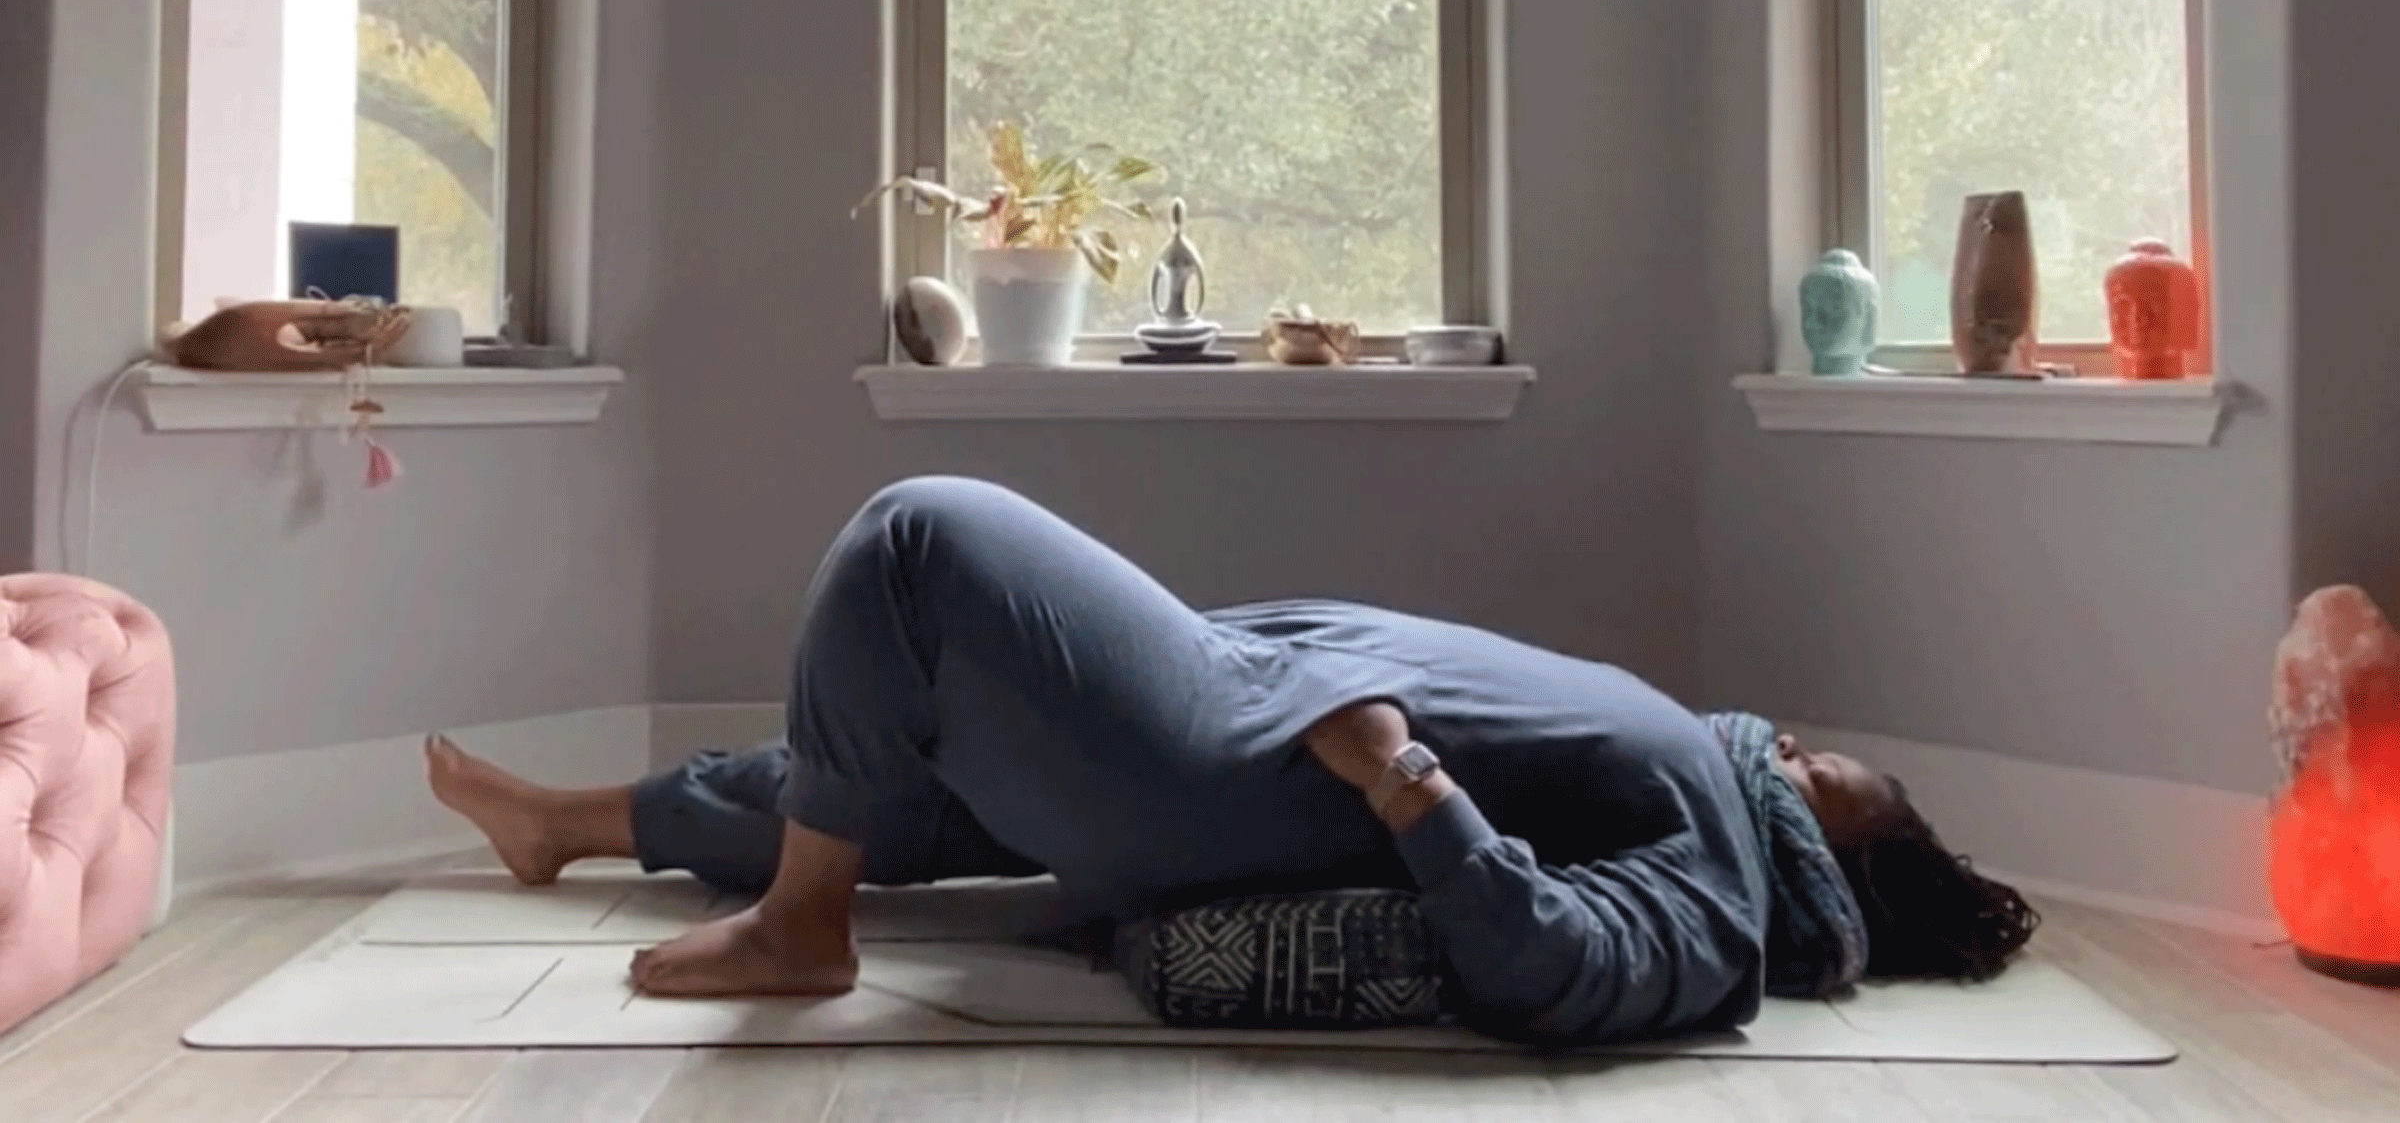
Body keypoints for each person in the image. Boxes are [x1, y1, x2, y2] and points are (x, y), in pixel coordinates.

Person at [426, 476, 2038, 1046]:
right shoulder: (1712, 790)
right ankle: (566, 829)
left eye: (1835, 776)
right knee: (883, 759)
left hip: (1228, 753)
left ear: (1832, 847)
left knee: (915, 548)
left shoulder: (1727, 896)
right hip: (1252, 692)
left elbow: (1553, 966)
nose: (1806, 750)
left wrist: (1404, 781)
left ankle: (803, 929)